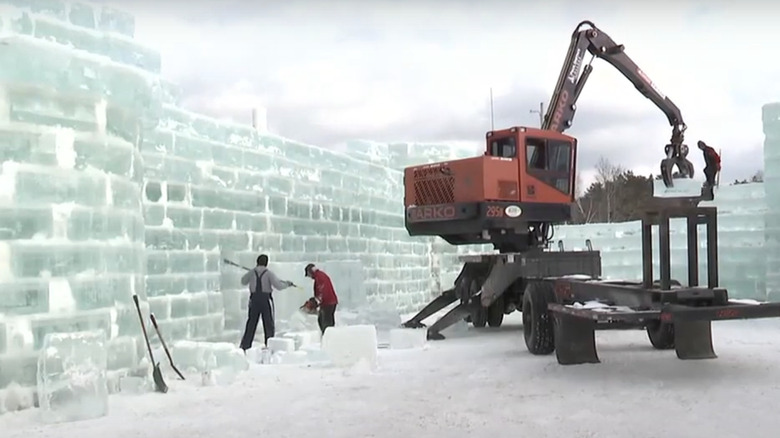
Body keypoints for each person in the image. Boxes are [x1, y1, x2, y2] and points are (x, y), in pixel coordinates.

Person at [239, 254, 295, 352]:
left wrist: (251, 275)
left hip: (254, 299)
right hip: (265, 300)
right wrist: (287, 284)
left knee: (251, 323)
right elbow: (278, 285)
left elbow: (243, 281)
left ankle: (245, 346)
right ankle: (269, 345)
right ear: (266, 263)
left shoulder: (252, 272)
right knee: (268, 323)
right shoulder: (269, 273)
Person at [304, 263, 338, 335]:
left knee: (325, 324)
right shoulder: (320, 275)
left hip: (328, 303)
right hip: (330, 302)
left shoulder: (319, 277)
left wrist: (315, 302)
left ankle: (328, 339)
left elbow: (322, 291)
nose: (309, 277)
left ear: (310, 271)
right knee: (325, 322)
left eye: (308, 274)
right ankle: (329, 338)